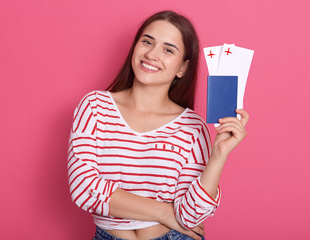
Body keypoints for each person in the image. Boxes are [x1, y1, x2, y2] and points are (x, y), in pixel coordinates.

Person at [67, 10, 249, 240]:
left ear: (182, 68)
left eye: (168, 49)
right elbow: (83, 189)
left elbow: (191, 218)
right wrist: (166, 212)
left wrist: (219, 154)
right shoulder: (94, 106)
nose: (152, 54)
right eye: (147, 41)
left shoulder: (193, 127)